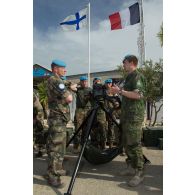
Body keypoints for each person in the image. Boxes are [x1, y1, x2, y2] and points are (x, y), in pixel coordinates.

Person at [111, 55, 146, 187]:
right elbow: (125, 93)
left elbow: (138, 95)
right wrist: (117, 91)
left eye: (124, 62)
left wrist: (119, 91)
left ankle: (139, 172)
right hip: (126, 116)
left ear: (132, 63)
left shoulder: (137, 76)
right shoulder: (128, 77)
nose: (123, 64)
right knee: (126, 142)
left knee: (134, 144)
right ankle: (131, 167)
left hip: (134, 116)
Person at [46, 59, 73, 187]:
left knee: (60, 146)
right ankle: (52, 176)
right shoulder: (55, 80)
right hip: (57, 119)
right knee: (55, 147)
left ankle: (58, 169)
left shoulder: (58, 80)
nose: (65, 70)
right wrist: (70, 90)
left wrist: (69, 85)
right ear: (55, 69)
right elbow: (69, 98)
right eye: (63, 68)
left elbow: (66, 84)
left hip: (59, 119)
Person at [73, 76, 92, 153]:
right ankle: (76, 146)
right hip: (79, 110)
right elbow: (71, 87)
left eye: (85, 81)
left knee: (86, 129)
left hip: (88, 110)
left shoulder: (90, 90)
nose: (84, 83)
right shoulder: (78, 89)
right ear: (81, 82)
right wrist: (78, 83)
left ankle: (83, 146)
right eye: (83, 81)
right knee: (78, 128)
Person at [92, 77, 107, 149]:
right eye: (96, 82)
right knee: (94, 131)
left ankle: (103, 147)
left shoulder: (104, 90)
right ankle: (95, 146)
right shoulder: (92, 91)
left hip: (101, 113)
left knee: (103, 130)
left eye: (99, 82)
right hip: (94, 113)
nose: (98, 83)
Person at [104, 78, 119, 148]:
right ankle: (103, 144)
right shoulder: (103, 91)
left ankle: (111, 144)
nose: (108, 84)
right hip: (104, 112)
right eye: (107, 83)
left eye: (109, 83)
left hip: (111, 112)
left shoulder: (113, 91)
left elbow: (116, 101)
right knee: (103, 128)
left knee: (111, 128)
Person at [33, 89, 45, 157]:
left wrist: (34, 118)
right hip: (35, 112)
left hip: (38, 113)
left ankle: (41, 150)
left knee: (39, 132)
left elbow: (35, 106)